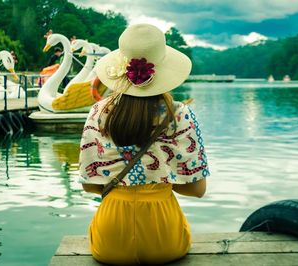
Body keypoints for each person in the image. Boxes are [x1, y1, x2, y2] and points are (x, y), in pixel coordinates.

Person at [79, 24, 209, 265]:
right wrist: (157, 179)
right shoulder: (181, 114)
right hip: (165, 236)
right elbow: (197, 190)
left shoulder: (98, 112)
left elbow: (91, 186)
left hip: (111, 237)